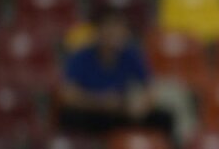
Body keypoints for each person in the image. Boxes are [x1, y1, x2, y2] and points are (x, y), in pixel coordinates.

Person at [57, 7, 174, 138]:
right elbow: (68, 95)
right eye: (108, 28)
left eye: (118, 28)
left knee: (163, 118)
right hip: (90, 112)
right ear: (98, 31)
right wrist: (99, 102)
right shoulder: (81, 56)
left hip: (119, 112)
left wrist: (141, 106)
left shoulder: (131, 55)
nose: (113, 33)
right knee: (70, 117)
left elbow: (151, 88)